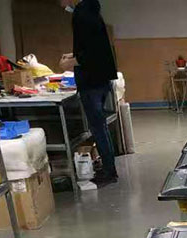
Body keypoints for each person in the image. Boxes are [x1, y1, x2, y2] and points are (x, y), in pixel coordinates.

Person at [59, 0, 118, 185]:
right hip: (101, 78)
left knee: (98, 128)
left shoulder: (81, 14)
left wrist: (70, 62)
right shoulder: (92, 10)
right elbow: (94, 46)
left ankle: (109, 172)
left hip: (91, 82)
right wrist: (74, 55)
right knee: (101, 126)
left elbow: (91, 54)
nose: (61, 4)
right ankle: (109, 166)